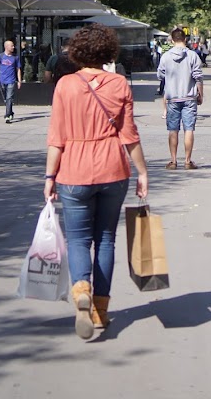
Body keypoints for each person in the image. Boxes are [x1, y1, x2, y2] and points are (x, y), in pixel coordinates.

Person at [43, 23, 149, 340]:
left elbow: (56, 137)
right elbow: (129, 136)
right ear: (108, 52)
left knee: (77, 240)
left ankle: (81, 290)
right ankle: (100, 311)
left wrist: (49, 176)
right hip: (113, 169)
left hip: (73, 171)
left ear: (76, 52)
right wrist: (143, 172)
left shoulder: (65, 86)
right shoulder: (119, 85)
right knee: (105, 239)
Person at [157, 28, 204, 170]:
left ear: (172, 39)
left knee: (173, 129)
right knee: (189, 129)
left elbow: (160, 75)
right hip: (189, 96)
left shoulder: (165, 56)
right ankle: (188, 161)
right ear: (185, 39)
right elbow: (198, 77)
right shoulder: (193, 56)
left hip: (172, 97)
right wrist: (200, 94)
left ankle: (173, 160)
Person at [0, 40, 22, 123]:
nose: (13, 47)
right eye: (11, 46)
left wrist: (19, 81)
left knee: (9, 97)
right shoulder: (0, 56)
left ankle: (7, 115)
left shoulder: (15, 58)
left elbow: (18, 69)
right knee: (6, 99)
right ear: (6, 47)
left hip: (11, 81)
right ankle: (11, 111)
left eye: (13, 46)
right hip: (2, 81)